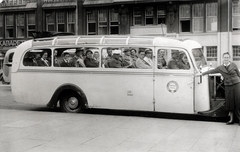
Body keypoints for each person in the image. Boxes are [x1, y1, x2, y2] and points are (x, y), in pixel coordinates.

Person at [202, 52, 240, 125]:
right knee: (229, 103)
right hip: (228, 85)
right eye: (225, 57)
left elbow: (238, 74)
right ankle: (231, 120)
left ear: (229, 58)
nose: (226, 59)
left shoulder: (234, 65)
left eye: (227, 57)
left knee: (238, 102)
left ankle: (239, 119)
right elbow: (212, 71)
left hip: (236, 84)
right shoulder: (220, 68)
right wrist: (202, 73)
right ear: (223, 58)